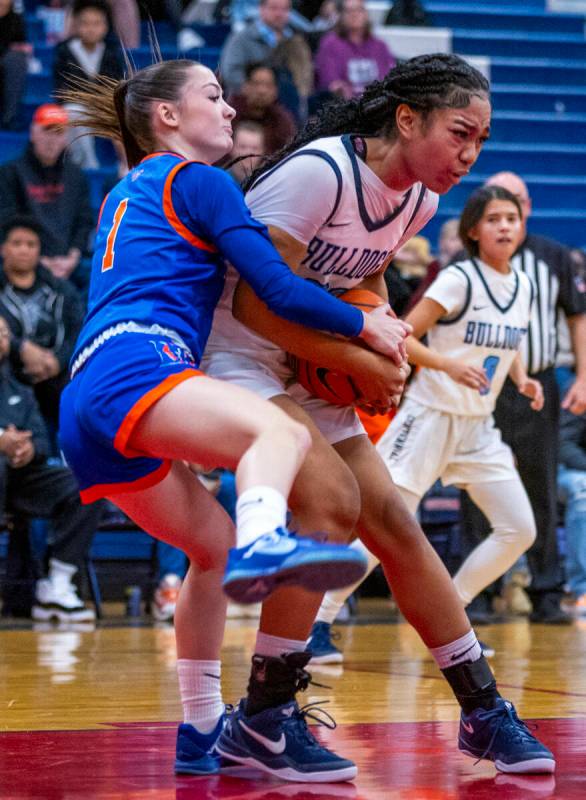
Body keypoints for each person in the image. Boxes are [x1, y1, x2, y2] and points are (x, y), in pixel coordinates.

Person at [54, 57, 407, 781]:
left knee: (206, 549)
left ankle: (202, 727)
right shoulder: (200, 180)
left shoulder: (128, 188)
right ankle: (266, 541)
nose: (228, 106)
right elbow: (274, 286)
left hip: (84, 395)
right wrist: (362, 327)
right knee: (277, 431)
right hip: (139, 362)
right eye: (211, 96)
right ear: (167, 118)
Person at [202, 53, 555, 777]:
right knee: (332, 504)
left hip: (306, 364)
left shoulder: (419, 199)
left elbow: (360, 275)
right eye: (461, 133)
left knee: (393, 520)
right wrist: (364, 361)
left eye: (481, 142)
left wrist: (382, 330)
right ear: (407, 117)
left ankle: (483, 710)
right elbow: (252, 302)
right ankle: (262, 720)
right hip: (238, 359)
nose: (470, 155)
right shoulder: (319, 173)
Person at [309, 185, 543, 663]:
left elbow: (507, 342)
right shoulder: (458, 279)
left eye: (512, 218)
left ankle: (449, 614)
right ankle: (316, 623)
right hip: (428, 416)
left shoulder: (524, 283)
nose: (504, 226)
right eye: (494, 218)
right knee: (385, 527)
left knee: (519, 528)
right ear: (474, 230)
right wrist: (447, 365)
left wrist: (522, 379)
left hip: (477, 425)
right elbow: (404, 338)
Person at [460, 171, 586, 624]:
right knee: (477, 485)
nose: (507, 221)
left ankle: (546, 591)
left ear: (527, 209)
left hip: (538, 381)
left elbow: (577, 317)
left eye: (516, 207)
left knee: (541, 486)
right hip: (480, 385)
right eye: (496, 209)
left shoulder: (554, 257)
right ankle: (477, 592)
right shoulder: (467, 265)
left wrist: (583, 377)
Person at [0, 314, 102, 622]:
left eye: (5, 334)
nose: (2, 340)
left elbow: (42, 440)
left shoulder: (16, 384)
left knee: (88, 483)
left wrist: (28, 450)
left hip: (18, 479)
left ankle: (57, 584)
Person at [0, 216, 84, 432]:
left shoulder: (61, 289)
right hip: (11, 373)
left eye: (31, 244)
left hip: (56, 370)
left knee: (81, 384)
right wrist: (21, 348)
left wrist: (58, 360)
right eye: (16, 243)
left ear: (39, 251)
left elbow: (78, 328)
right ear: (3, 249)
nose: (24, 250)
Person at [0, 104, 95, 290]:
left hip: (70, 265)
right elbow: (6, 220)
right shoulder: (10, 173)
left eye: (58, 133)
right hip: (25, 261)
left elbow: (84, 221)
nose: (51, 139)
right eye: (46, 131)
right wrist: (38, 259)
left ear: (66, 138)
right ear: (33, 133)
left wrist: (73, 257)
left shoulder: (77, 176)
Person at [54, 0, 125, 169]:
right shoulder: (65, 51)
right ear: (76, 26)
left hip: (105, 107)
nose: (91, 28)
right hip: (77, 106)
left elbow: (117, 86)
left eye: (96, 23)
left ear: (105, 26)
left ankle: (127, 166)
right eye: (85, 23)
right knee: (74, 112)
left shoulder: (111, 53)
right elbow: (62, 89)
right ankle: (87, 164)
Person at [219, 0, 314, 110]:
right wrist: (260, 91)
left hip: (292, 106)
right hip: (252, 106)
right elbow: (230, 74)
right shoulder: (241, 39)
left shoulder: (297, 40)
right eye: (274, 8)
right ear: (261, 9)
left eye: (284, 9)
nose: (279, 14)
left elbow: (306, 75)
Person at [314, 0, 395, 99]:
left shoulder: (379, 46)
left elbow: (390, 77)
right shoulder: (330, 44)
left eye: (359, 10)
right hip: (345, 106)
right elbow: (329, 82)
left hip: (378, 103)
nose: (354, 14)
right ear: (341, 15)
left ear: (366, 14)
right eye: (349, 11)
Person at [557, 381, 586, 614]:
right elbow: (563, 443)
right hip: (569, 471)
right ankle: (582, 589)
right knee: (582, 490)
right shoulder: (580, 388)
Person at [227, 63, 296, 155]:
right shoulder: (230, 115)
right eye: (256, 84)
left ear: (276, 90)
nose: (262, 91)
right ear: (245, 86)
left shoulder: (283, 121)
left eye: (268, 85)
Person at [0, 0, 31, 130]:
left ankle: (10, 117)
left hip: (6, 60)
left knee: (17, 59)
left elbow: (20, 44)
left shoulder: (16, 19)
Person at [225, 120, 266, 185]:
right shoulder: (219, 180)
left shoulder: (266, 183)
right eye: (243, 147)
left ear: (262, 151)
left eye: (254, 148)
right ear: (231, 148)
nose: (248, 153)